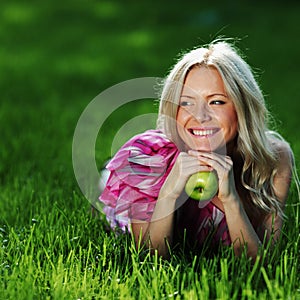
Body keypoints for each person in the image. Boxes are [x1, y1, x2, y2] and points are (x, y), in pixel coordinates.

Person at [99, 39, 298, 260]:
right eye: (186, 103)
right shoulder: (147, 158)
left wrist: (231, 200)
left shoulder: (274, 159)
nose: (200, 116)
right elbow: (150, 259)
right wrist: (168, 194)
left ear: (243, 107)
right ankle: (105, 175)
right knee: (108, 198)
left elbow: (263, 261)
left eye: (217, 102)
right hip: (126, 212)